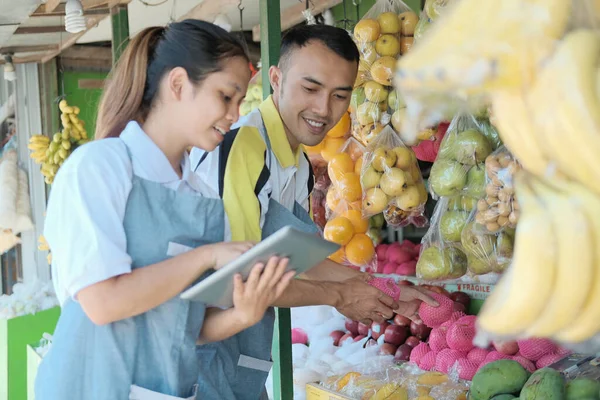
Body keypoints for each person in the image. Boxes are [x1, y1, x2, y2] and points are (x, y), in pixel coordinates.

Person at [34, 20, 294, 400]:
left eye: (240, 102)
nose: (236, 114)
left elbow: (187, 324)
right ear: (177, 85)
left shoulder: (201, 194)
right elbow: (103, 303)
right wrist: (206, 256)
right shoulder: (99, 167)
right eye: (226, 96)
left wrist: (244, 314)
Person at [191, 24, 436, 400]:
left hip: (240, 356)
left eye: (340, 95)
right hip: (200, 357)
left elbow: (297, 257)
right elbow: (243, 276)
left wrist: (384, 289)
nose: (324, 110)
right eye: (310, 89)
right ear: (276, 79)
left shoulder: (300, 163)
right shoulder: (245, 148)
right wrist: (339, 297)